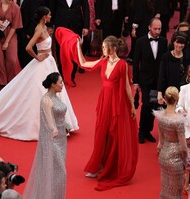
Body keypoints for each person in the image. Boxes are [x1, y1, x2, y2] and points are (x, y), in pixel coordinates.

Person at [0, 6, 78, 141]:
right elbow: (28, 47)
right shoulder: (39, 29)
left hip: (49, 62)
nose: (50, 17)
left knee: (55, 91)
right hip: (42, 63)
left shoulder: (44, 28)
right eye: (49, 15)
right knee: (41, 92)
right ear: (44, 17)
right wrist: (38, 57)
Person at [76, 35, 138, 191]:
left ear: (113, 48)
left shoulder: (122, 64)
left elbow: (126, 87)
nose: (102, 50)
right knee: (100, 133)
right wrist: (78, 46)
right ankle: (97, 166)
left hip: (117, 104)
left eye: (104, 47)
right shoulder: (104, 61)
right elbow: (84, 63)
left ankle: (110, 166)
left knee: (114, 134)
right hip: (104, 101)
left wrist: (132, 106)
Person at [23, 72, 67, 199]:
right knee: (60, 172)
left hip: (62, 139)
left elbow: (58, 115)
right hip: (52, 140)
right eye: (60, 83)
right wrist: (54, 129)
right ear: (53, 84)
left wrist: (66, 124)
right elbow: (49, 120)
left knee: (58, 171)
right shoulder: (46, 100)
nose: (62, 85)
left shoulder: (55, 97)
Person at [133, 18, 168, 144]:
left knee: (155, 106)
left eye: (159, 29)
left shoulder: (164, 41)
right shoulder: (140, 42)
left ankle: (148, 131)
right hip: (145, 80)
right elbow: (136, 63)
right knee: (146, 104)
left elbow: (164, 62)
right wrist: (135, 82)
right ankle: (141, 131)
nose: (157, 31)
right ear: (149, 27)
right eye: (155, 29)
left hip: (159, 80)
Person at [154, 86, 188, 198]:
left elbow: (161, 141)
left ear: (165, 98)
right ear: (177, 100)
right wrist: (185, 160)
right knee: (175, 193)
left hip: (163, 156)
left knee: (165, 190)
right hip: (176, 160)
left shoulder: (160, 116)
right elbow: (183, 147)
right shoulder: (178, 121)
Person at [48, 0, 90, 86]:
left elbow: (86, 8)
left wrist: (86, 26)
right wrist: (50, 25)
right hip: (61, 24)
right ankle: (62, 76)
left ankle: (72, 76)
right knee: (60, 50)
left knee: (74, 50)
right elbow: (51, 8)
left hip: (76, 24)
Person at [0, 0, 22, 88]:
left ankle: (12, 82)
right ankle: (1, 83)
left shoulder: (15, 7)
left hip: (10, 34)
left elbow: (15, 26)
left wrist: (6, 42)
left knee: (12, 59)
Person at [157, 32, 189, 105]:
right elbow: (161, 76)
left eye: (182, 43)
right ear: (173, 42)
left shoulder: (187, 57)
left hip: (183, 94)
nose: (179, 45)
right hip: (169, 93)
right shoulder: (166, 57)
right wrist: (159, 93)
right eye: (177, 42)